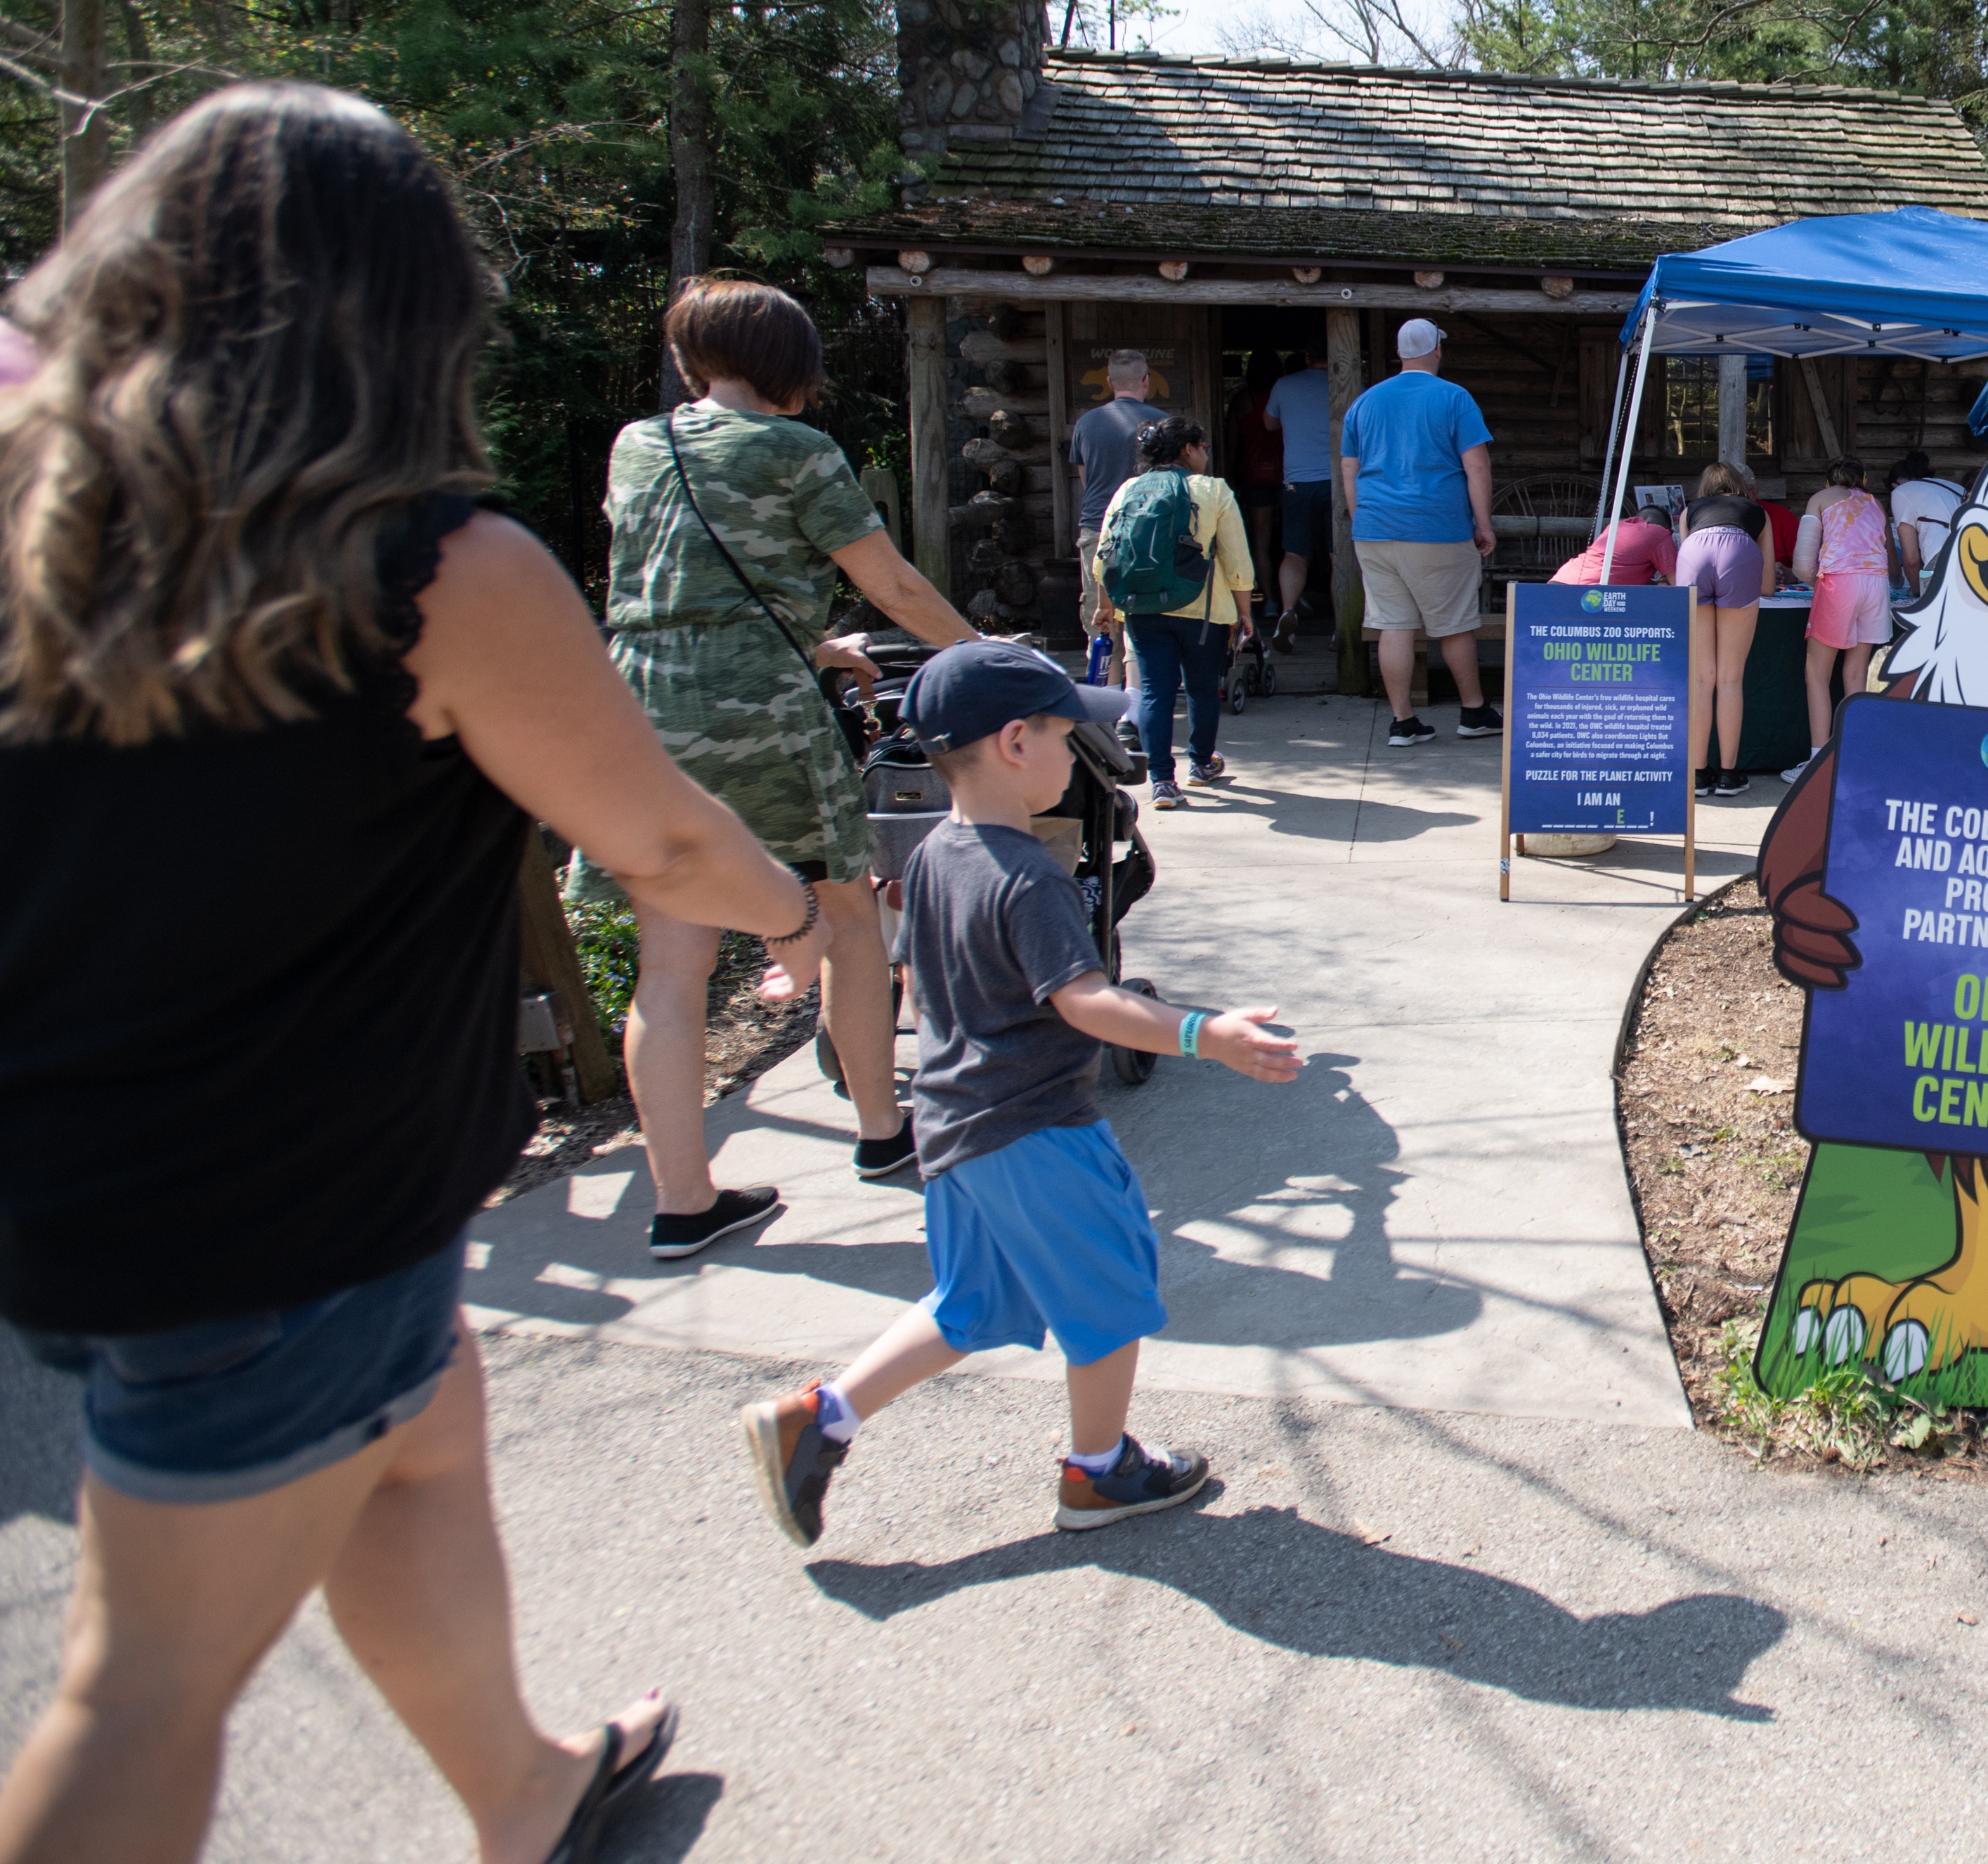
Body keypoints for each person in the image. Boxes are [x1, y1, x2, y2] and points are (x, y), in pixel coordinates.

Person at [0, 82, 835, 1863]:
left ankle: (525, 1783)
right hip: (272, 1183)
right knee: (143, 1678)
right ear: (407, 310)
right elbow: (663, 840)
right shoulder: (427, 565)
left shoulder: (51, 537)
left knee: (424, 1434)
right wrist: (795, 916)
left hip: (103, 1154)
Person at [735, 641, 1302, 1547]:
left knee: (972, 1304)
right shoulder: (1027, 874)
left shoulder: (931, 859)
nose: (1073, 749)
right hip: (1034, 1130)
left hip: (952, 1127)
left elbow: (919, 985)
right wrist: (1206, 1035)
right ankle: (1100, 1470)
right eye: (1064, 734)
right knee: (1109, 1296)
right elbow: (1086, 1001)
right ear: (1013, 743)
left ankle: (821, 1416)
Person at [573, 278, 977, 1254]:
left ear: (688, 357)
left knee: (671, 963)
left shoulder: (638, 444)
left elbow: (677, 583)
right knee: (844, 919)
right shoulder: (798, 451)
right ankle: (883, 1133)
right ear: (793, 364)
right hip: (757, 708)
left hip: (643, 705)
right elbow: (886, 582)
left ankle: (680, 1200)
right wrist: (974, 652)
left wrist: (815, 643)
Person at [1339, 318, 1502, 747]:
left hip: (1374, 528)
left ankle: (1403, 722)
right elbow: (1477, 465)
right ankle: (1473, 712)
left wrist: (1362, 518)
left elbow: (1349, 468)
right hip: (1436, 527)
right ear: (1436, 351)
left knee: (1392, 624)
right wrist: (1483, 524)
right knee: (1454, 624)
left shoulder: (1364, 403)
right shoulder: (1454, 398)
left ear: (1400, 354)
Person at [1097, 417, 1255, 809]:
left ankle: (1162, 781)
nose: (1205, 453)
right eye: (1202, 446)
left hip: (1143, 606)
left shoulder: (1128, 490)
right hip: (1202, 610)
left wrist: (1106, 607)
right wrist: (1244, 611)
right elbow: (1237, 559)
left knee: (1155, 691)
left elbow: (1106, 553)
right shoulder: (1213, 490)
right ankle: (1201, 764)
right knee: (1202, 688)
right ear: (1188, 449)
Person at [1785, 455, 1891, 783]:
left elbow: (1803, 563)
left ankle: (1819, 761)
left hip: (1839, 583)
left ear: (1828, 480)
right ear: (1864, 479)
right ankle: (1853, 756)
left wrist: (1809, 580)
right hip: (1877, 583)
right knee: (1857, 672)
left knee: (1817, 673)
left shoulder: (1820, 498)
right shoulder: (1875, 503)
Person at [1671, 462, 1769, 797]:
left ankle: (1698, 774)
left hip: (1694, 556)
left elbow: (1684, 553)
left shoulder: (1690, 511)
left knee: (1701, 678)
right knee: (1730, 678)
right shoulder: (1757, 512)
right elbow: (1767, 584)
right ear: (1739, 485)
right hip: (1739, 555)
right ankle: (1728, 774)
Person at [1070, 349, 1164, 694]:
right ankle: (1140, 698)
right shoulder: (1161, 424)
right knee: (1144, 613)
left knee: (1100, 614)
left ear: (1108, 382)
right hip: (1148, 530)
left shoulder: (1086, 424)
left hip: (1098, 527)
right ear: (1146, 381)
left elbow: (1085, 478)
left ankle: (1106, 695)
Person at [1262, 343, 1332, 632]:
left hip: (1296, 482)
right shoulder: (1353, 384)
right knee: (1339, 555)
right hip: (1337, 481)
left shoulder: (1284, 385)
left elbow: (1269, 424)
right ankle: (1344, 625)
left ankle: (1288, 612)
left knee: (1294, 554)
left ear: (1307, 357)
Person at [1226, 349, 1291, 645]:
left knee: (1260, 541)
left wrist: (1229, 475)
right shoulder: (1287, 394)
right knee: (1298, 542)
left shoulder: (1242, 401)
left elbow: (1231, 442)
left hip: (1256, 476)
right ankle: (1296, 598)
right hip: (1290, 474)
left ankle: (1269, 601)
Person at [1885, 448, 1965, 598]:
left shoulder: (1902, 492)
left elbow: (1911, 560)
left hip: (1942, 556)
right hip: (1981, 552)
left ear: (1895, 484)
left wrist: (1916, 591)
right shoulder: (1955, 487)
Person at [1550, 510, 1675, 585]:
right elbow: (1679, 585)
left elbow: (1618, 570)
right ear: (1667, 529)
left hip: (1562, 579)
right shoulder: (1660, 533)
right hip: (1588, 592)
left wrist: (1654, 583)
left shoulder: (1616, 526)